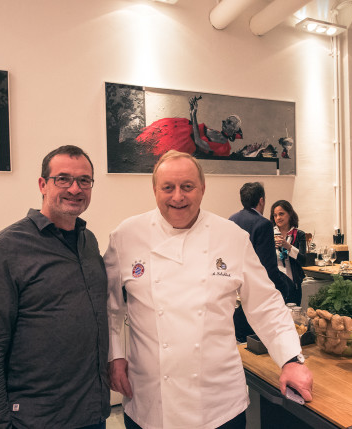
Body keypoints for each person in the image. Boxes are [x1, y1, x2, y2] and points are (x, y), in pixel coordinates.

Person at [104, 150, 313, 429]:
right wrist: (115, 355)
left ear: (202, 189)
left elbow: (264, 304)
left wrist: (291, 360)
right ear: (155, 190)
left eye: (187, 187)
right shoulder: (126, 235)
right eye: (168, 187)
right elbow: (109, 306)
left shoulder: (232, 237)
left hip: (218, 403)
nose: (177, 197)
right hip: (150, 401)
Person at [0, 145, 110, 429]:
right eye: (63, 179)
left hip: (91, 413)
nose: (75, 188)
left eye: (84, 180)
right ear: (43, 184)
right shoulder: (4, 249)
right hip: (35, 418)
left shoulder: (88, 242)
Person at [229, 182, 292, 341]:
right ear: (261, 200)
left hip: (233, 286)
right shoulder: (263, 224)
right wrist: (283, 288)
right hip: (255, 291)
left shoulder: (231, 220)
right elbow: (267, 265)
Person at [135, 95, 242, 157]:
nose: (224, 121)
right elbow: (196, 130)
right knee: (147, 139)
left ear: (234, 130)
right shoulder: (216, 132)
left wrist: (193, 115)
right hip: (180, 129)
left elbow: (199, 142)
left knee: (150, 151)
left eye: (229, 122)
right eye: (227, 120)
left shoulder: (224, 147)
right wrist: (192, 113)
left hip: (182, 142)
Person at [271, 199, 307, 305]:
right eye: (275, 215)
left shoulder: (299, 234)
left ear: (290, 214)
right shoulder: (269, 234)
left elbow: (303, 260)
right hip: (274, 285)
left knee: (293, 317)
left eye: (281, 214)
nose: (278, 218)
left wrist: (288, 246)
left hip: (294, 284)